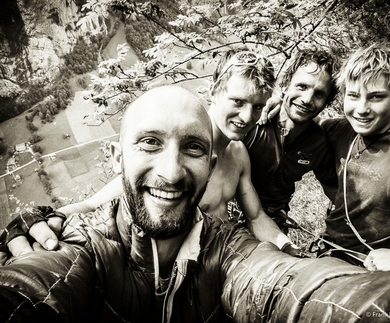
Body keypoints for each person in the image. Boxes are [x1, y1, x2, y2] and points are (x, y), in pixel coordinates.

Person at [1, 85, 390, 323]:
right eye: (150, 143)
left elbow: (292, 286)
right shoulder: (85, 251)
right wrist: (39, 219)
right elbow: (34, 288)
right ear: (118, 159)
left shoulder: (230, 242)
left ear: (208, 163)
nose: (170, 171)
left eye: (191, 149)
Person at [0, 49, 299, 264]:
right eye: (238, 101)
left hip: (213, 268)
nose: (247, 116)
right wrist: (42, 220)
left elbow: (256, 216)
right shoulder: (175, 154)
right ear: (214, 93)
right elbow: (95, 203)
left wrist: (290, 252)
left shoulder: (238, 154)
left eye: (258, 107)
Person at [320, 43, 390, 271]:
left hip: (373, 278)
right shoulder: (341, 130)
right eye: (353, 96)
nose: (361, 109)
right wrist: (278, 106)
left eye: (376, 97)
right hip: (325, 259)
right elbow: (304, 121)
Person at [243, 48, 338, 230]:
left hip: (274, 221)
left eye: (319, 94)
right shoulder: (253, 121)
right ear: (286, 85)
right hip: (231, 215)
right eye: (302, 86)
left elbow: (334, 190)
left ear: (327, 102)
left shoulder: (319, 144)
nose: (307, 99)